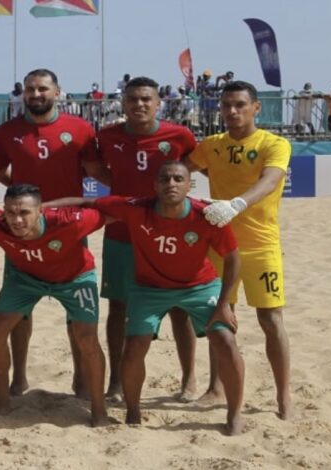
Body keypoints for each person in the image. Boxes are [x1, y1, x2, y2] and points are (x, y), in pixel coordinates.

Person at [92, 161, 245, 435]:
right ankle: (133, 412)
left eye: (178, 179)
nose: (171, 184)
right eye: (165, 179)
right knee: (134, 346)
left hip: (199, 286)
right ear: (155, 185)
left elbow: (233, 259)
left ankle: (234, 414)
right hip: (149, 288)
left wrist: (224, 305)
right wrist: (43, 209)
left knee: (226, 340)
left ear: (189, 185)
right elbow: (86, 203)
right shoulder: (137, 208)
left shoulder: (207, 216)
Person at [0, 184, 110, 426]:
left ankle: (99, 412)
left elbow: (108, 210)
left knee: (87, 339)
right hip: (25, 280)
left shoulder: (70, 221)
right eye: (10, 212)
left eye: (24, 213)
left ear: (40, 211)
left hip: (74, 279)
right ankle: (2, 402)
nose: (17, 220)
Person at [0, 68, 108, 399]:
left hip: (68, 229)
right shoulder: (8, 131)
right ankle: (19, 378)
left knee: (76, 314)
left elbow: (97, 172)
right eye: (30, 89)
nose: (36, 94)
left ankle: (80, 378)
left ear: (57, 92)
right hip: (22, 229)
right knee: (19, 310)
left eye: (42, 88)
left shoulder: (80, 128)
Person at [186, 80, 293, 420]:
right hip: (220, 245)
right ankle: (216, 388)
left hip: (262, 245)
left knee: (270, 319)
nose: (232, 111)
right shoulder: (211, 145)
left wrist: (237, 203)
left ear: (255, 108)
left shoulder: (273, 143)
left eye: (240, 105)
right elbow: (180, 170)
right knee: (218, 317)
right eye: (226, 105)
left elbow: (270, 181)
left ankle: (284, 396)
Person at [96, 76, 199, 402]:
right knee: (118, 306)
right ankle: (115, 381)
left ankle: (189, 379)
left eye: (145, 99)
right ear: (123, 103)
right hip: (122, 233)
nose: (139, 104)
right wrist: (121, 189)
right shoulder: (107, 136)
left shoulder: (179, 135)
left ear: (158, 103)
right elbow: (96, 169)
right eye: (132, 99)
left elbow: (193, 165)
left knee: (179, 308)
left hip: (168, 232)